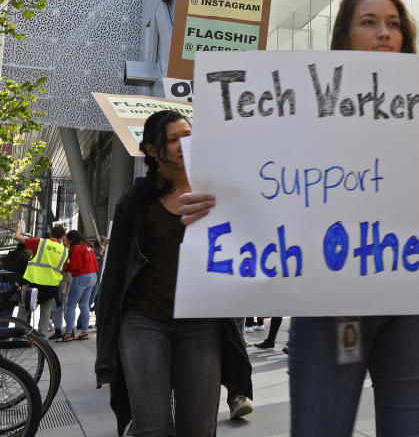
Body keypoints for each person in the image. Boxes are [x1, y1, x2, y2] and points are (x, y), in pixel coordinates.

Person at [179, 0, 419, 437]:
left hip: (409, 305)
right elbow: (260, 188)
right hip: (329, 306)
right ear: (343, 38)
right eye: (369, 22)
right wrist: (211, 209)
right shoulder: (301, 114)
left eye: (394, 24)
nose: (384, 33)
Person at [94, 110, 253, 436]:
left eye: (189, 135)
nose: (185, 144)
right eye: (174, 139)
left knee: (197, 426)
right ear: (152, 150)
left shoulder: (217, 194)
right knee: (152, 426)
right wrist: (107, 345)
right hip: (145, 321)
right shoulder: (134, 202)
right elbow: (114, 277)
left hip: (202, 326)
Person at [14, 223, 68, 340]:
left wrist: (19, 228)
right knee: (45, 312)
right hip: (51, 285)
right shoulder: (64, 250)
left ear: (50, 234)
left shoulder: (40, 242)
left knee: (24, 309)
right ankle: (42, 338)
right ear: (62, 237)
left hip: (34, 282)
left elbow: (17, 238)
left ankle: (19, 336)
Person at [59, 231, 99, 342]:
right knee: (85, 304)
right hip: (93, 276)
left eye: (66, 240)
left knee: (71, 305)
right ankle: (84, 332)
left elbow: (75, 266)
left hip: (82, 277)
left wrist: (66, 266)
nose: (65, 242)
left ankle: (67, 334)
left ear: (71, 239)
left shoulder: (76, 248)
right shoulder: (87, 246)